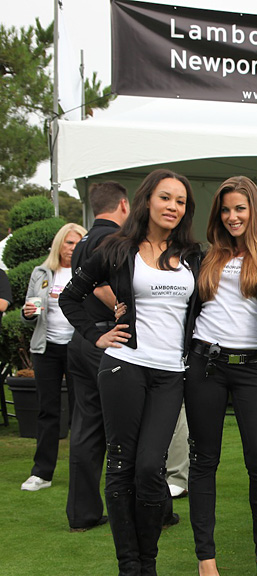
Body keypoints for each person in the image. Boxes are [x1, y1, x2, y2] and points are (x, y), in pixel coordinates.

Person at [60, 169, 202, 576]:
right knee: (121, 467)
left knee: (149, 469)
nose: (172, 207)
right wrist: (97, 335)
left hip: (169, 374)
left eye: (180, 201)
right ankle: (130, 570)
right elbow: (71, 296)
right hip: (124, 366)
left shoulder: (193, 254)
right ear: (146, 201)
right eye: (165, 198)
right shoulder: (117, 249)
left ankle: (149, 562)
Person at [185, 176, 257, 576]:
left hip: (256, 371)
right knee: (204, 462)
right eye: (226, 210)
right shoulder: (201, 257)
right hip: (205, 367)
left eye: (240, 209)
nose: (233, 217)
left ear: (255, 212)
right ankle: (206, 559)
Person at [64, 182, 130, 532]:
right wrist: (123, 311)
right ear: (123, 204)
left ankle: (83, 513)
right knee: (129, 426)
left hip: (82, 340)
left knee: (85, 428)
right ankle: (149, 509)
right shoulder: (113, 240)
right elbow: (101, 286)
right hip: (106, 339)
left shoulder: (82, 242)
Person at [20, 223, 89, 492]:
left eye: (78, 243)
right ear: (59, 244)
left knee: (82, 413)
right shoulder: (41, 272)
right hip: (46, 348)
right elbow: (31, 310)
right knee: (47, 411)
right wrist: (28, 313)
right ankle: (42, 473)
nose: (73, 248)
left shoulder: (88, 272)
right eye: (69, 242)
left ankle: (82, 472)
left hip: (78, 348)